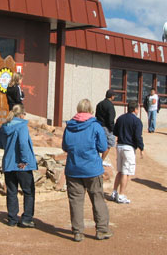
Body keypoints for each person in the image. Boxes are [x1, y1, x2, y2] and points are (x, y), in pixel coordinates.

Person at [62, 99, 113, 242]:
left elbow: (65, 146)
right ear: (91, 110)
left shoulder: (69, 126)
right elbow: (103, 147)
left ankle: (78, 232)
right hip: (92, 169)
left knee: (75, 201)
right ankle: (102, 230)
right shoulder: (95, 126)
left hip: (73, 168)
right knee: (97, 198)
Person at [0, 104, 37, 227]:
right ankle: (26, 218)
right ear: (21, 114)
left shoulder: (3, 127)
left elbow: (0, 145)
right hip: (21, 165)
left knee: (11, 191)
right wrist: (24, 161)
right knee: (29, 191)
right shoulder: (22, 126)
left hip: (8, 163)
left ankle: (12, 219)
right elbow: (23, 144)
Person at [111, 101, 144, 204]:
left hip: (119, 145)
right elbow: (138, 136)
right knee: (126, 172)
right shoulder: (137, 121)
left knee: (120, 171)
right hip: (128, 148)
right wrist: (141, 148)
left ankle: (114, 192)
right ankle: (121, 195)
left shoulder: (120, 118)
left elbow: (115, 131)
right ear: (135, 109)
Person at [95, 89, 116, 163]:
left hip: (99, 125)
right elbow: (111, 119)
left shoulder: (99, 104)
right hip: (107, 128)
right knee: (108, 144)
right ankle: (101, 160)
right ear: (112, 97)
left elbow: (96, 115)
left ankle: (97, 159)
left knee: (97, 143)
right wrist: (113, 129)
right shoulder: (110, 106)